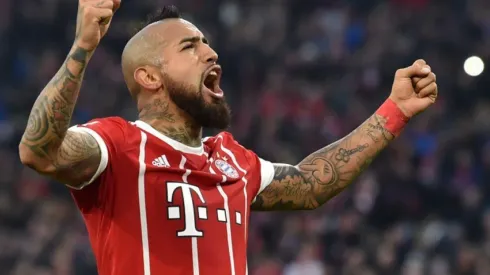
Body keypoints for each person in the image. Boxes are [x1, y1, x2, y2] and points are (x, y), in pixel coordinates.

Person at [18, 1, 438, 275]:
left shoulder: (233, 160)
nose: (210, 52)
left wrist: (394, 110)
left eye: (207, 43)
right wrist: (83, 47)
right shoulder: (116, 145)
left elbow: (314, 183)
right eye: (190, 46)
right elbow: (39, 151)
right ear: (149, 77)